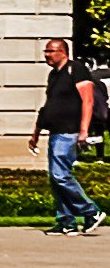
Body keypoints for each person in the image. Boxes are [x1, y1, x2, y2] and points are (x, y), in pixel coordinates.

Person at [31, 36, 101, 237]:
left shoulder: (76, 69)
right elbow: (48, 106)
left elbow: (87, 101)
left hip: (69, 131)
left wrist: (84, 131)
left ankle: (91, 211)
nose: (46, 55)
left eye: (50, 51)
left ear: (63, 51)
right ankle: (66, 221)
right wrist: (36, 133)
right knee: (55, 179)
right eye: (45, 51)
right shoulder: (54, 75)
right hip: (55, 131)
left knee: (60, 175)